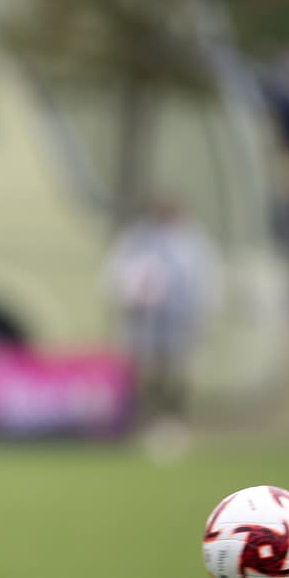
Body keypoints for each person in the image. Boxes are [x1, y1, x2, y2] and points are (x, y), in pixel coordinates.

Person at [103, 195, 219, 458]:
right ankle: (145, 425)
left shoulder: (191, 241)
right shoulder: (136, 239)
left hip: (178, 322)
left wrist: (201, 316)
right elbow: (117, 277)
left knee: (176, 376)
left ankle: (175, 427)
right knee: (147, 376)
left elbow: (203, 282)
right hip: (144, 323)